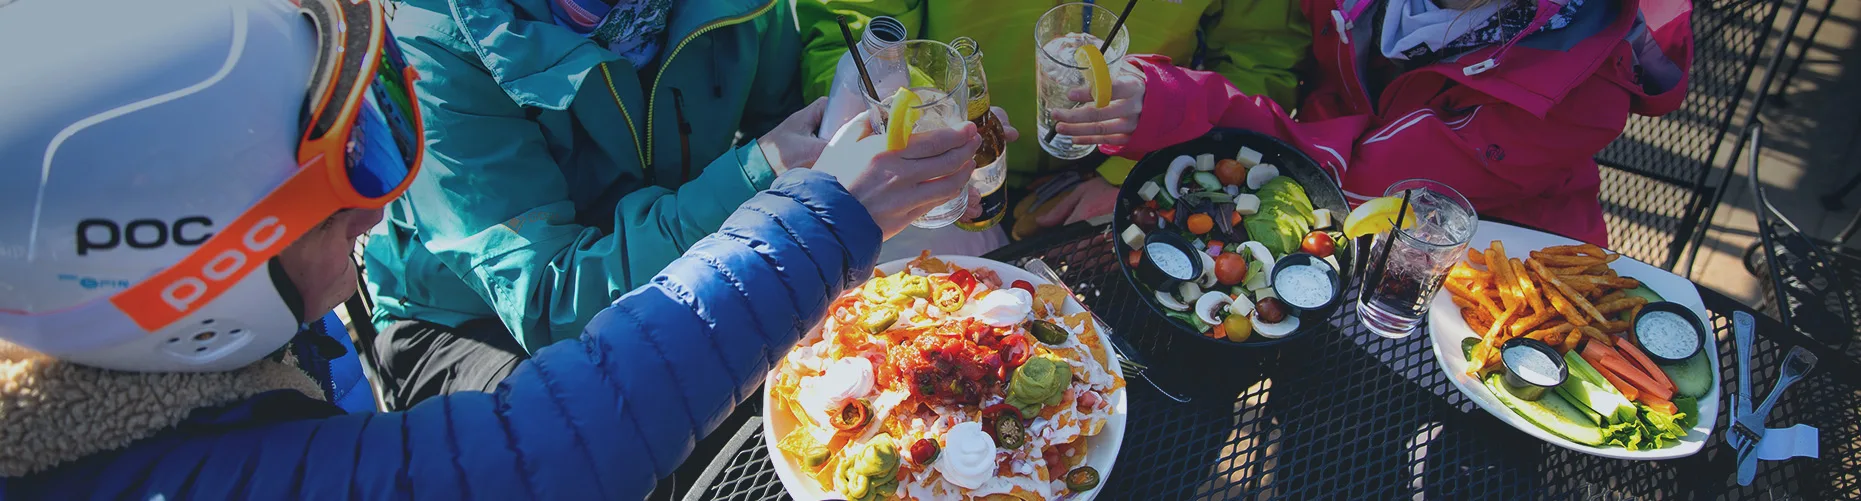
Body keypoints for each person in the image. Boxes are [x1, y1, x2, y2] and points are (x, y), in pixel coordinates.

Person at [0, 0, 980, 497]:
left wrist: (838, 135)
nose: (381, 211)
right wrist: (794, 193)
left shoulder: (176, 350)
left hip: (678, 253)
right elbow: (545, 422)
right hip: (479, 314)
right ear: (198, 264)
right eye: (353, 173)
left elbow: (777, 101)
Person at [362, 0, 830, 408]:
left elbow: (778, 117)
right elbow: (550, 300)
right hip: (466, 320)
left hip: (676, 252)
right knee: (606, 425)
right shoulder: (440, 41)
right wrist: (757, 170)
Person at [1053, 0, 1693, 245]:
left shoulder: (1584, 84)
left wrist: (1175, 105)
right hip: (1321, 214)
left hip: (1483, 269)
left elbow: (1366, 181)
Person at [796, 0, 1313, 252]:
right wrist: (913, 141)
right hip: (937, 180)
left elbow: (1262, 65)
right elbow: (856, 25)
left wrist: (1129, 180)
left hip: (1131, 180)